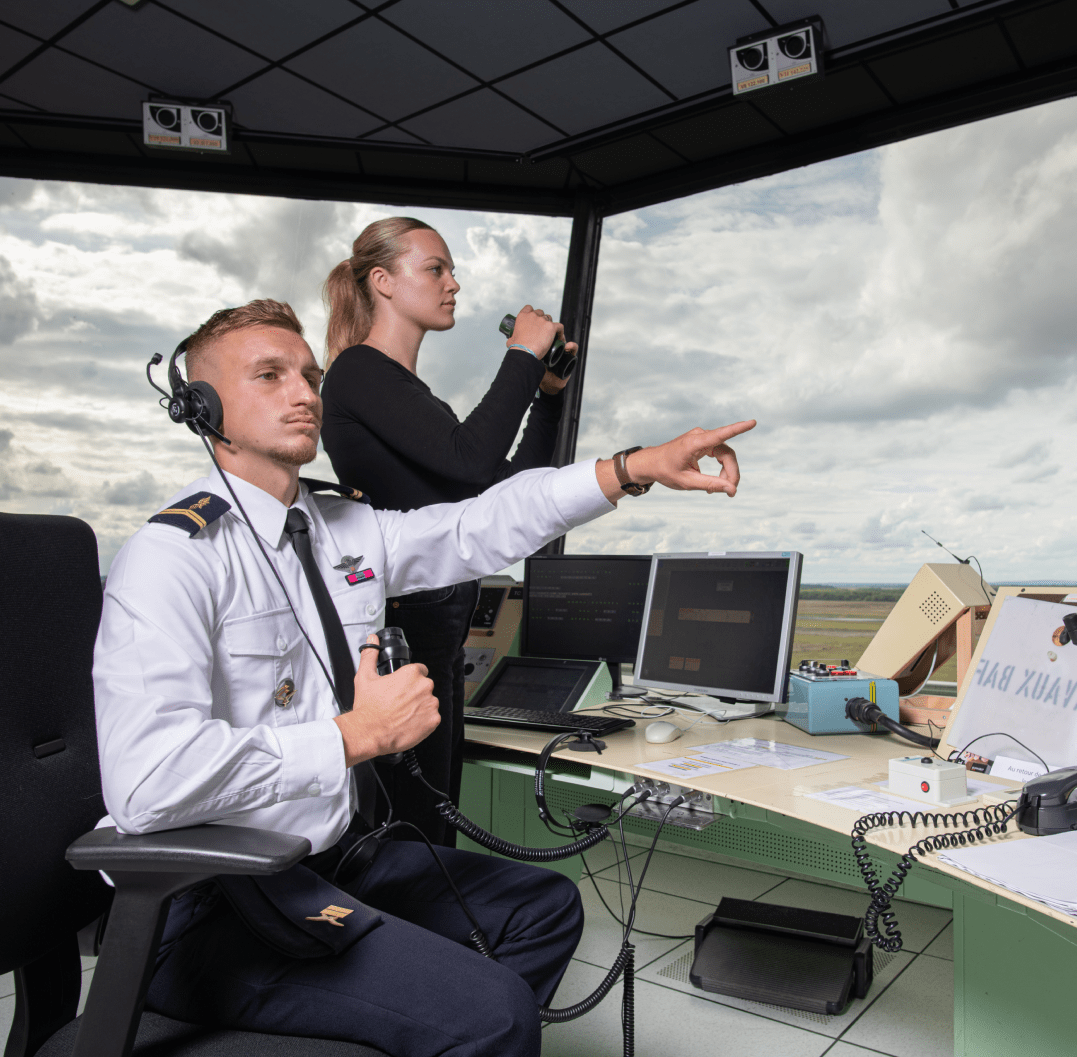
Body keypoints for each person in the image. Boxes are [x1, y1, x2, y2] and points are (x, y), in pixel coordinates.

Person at [93, 298, 755, 1056]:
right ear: (202, 407)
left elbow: (478, 525)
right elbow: (145, 785)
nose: (305, 392)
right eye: (269, 375)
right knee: (496, 1011)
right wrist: (350, 737)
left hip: (332, 864)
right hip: (212, 903)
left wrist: (628, 469)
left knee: (544, 908)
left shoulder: (345, 527)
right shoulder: (175, 556)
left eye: (308, 374)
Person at [321, 217, 576, 846]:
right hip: (401, 643)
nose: (452, 284)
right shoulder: (356, 372)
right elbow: (469, 458)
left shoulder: (410, 397)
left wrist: (545, 395)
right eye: (435, 268)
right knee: (412, 843)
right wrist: (519, 353)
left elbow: (501, 495)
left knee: (433, 838)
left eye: (451, 270)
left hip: (435, 640)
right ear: (382, 281)